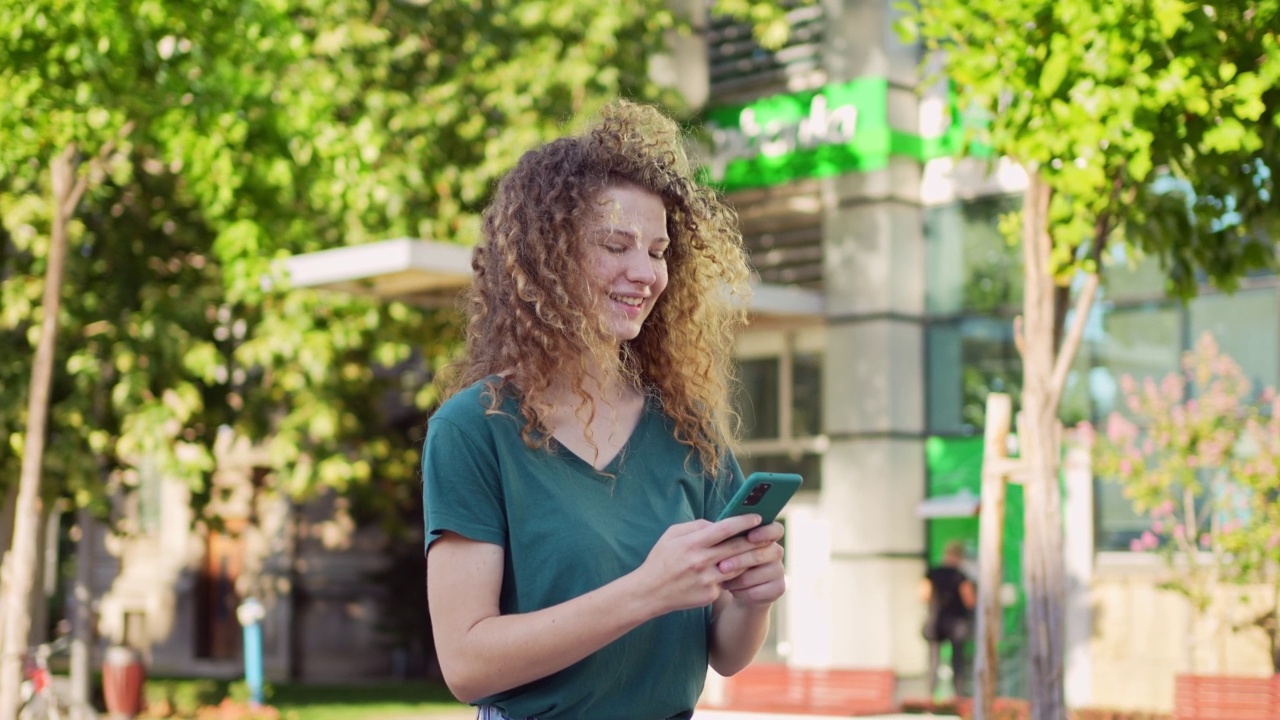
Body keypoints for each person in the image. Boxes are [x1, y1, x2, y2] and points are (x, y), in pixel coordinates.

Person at [421, 100, 787, 720]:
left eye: (658, 251)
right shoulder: (473, 429)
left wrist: (753, 600)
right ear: (547, 259)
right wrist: (648, 590)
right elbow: (466, 662)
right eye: (616, 245)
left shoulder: (686, 427)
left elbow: (724, 653)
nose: (644, 272)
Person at [920, 540, 977, 699]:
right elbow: (969, 600)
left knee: (934, 660)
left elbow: (923, 595)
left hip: (936, 620)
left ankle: (930, 696)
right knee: (957, 660)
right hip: (956, 622)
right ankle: (958, 696)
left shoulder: (933, 572)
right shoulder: (961, 576)